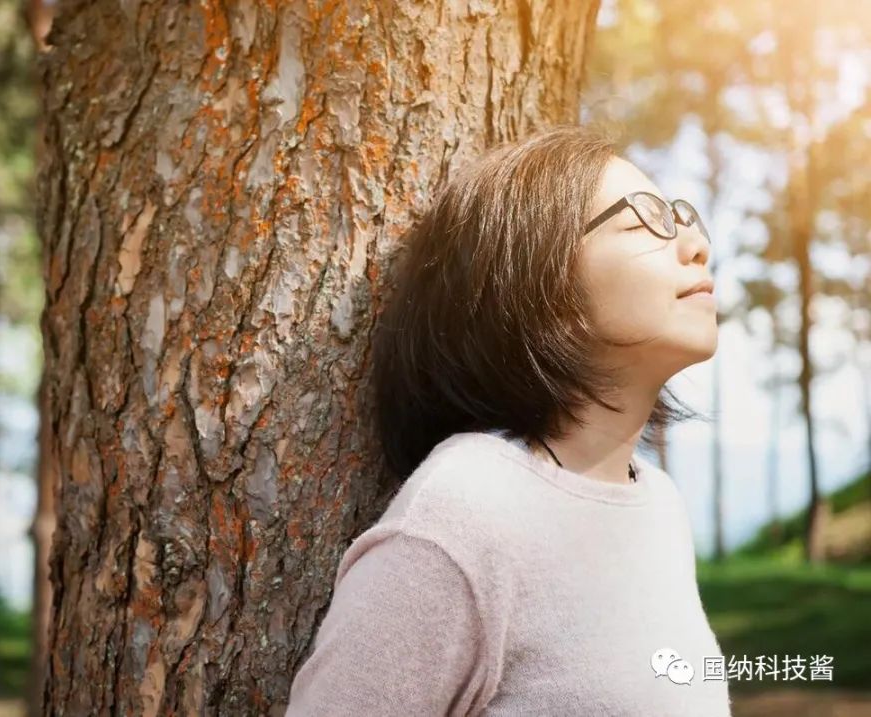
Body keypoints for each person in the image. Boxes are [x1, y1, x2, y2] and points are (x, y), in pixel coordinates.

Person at [284, 125, 733, 716]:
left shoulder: (657, 502)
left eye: (681, 216)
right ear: (540, 285)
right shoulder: (465, 511)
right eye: (642, 220)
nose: (695, 244)